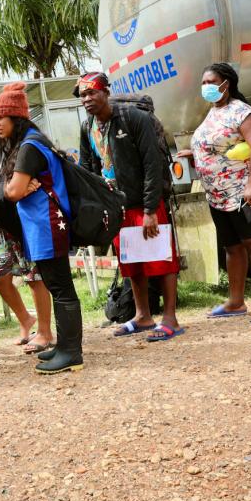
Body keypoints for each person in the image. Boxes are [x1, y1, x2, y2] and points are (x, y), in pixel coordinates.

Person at [76, 72, 183, 341]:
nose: (87, 99)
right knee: (132, 262)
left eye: (92, 92)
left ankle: (170, 319)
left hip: (145, 203)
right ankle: (143, 316)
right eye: (83, 95)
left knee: (161, 259)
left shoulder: (134, 118)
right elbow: (88, 169)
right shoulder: (87, 126)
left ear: (106, 92)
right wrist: (98, 206)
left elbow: (152, 164)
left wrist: (149, 210)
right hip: (117, 207)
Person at [180, 63, 251, 324]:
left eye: (211, 82)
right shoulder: (214, 112)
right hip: (217, 195)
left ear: (227, 84)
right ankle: (236, 302)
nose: (206, 87)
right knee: (232, 248)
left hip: (242, 192)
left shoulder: (241, 111)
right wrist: (196, 154)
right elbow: (223, 144)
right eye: (203, 83)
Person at [0, 82, 83, 374]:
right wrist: (15, 187)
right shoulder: (31, 141)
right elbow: (18, 188)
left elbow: (14, 192)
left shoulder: (29, 146)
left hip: (48, 223)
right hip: (40, 224)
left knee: (61, 288)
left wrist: (10, 188)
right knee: (56, 287)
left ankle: (71, 352)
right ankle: (64, 345)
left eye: (0, 118)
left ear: (16, 118)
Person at [0, 127, 55, 355]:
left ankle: (45, 332)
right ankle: (26, 320)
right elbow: (4, 189)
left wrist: (1, 197)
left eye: (1, 118)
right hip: (2, 224)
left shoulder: (27, 147)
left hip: (22, 223)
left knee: (34, 278)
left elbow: (26, 187)